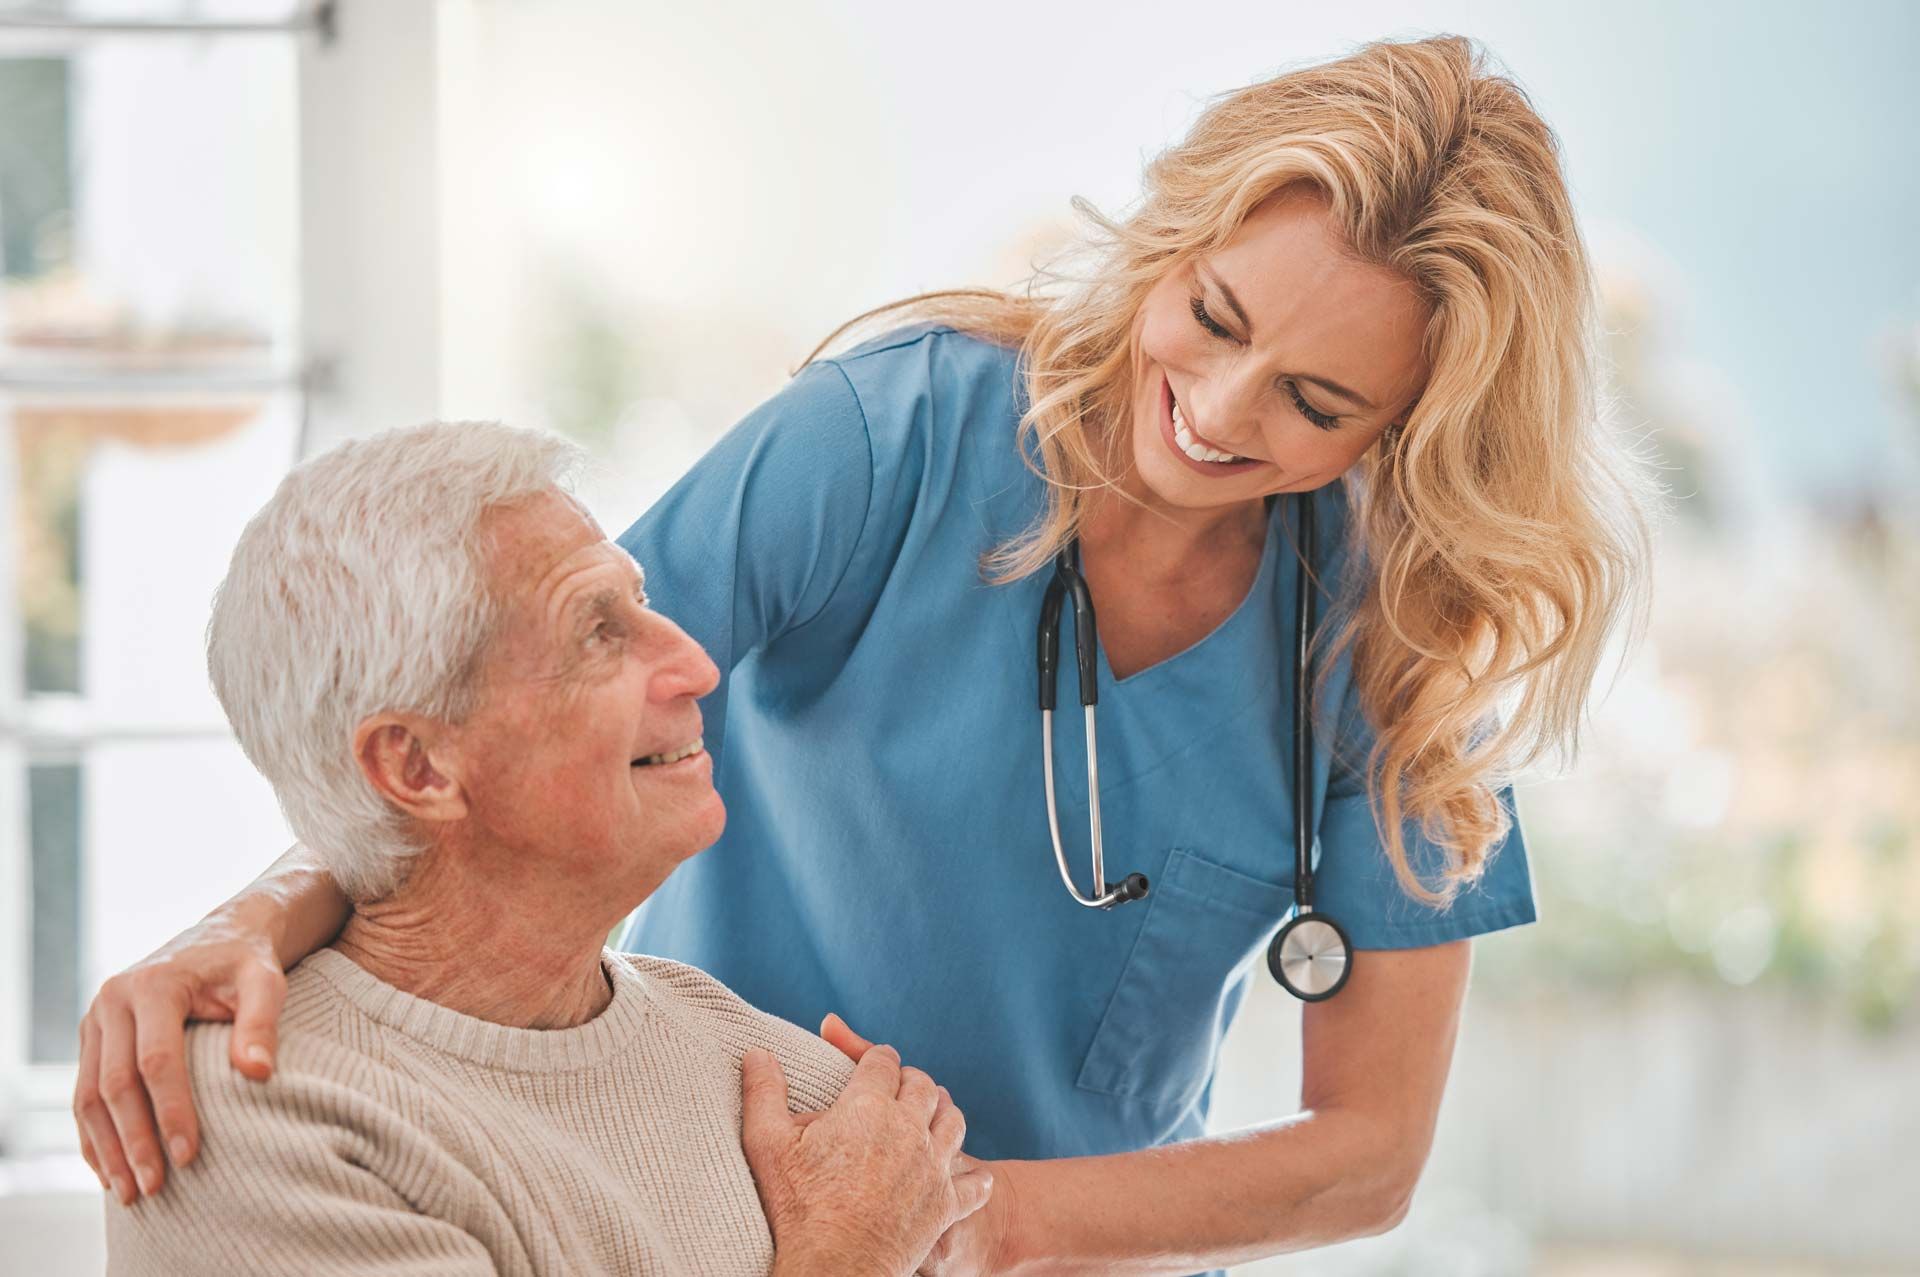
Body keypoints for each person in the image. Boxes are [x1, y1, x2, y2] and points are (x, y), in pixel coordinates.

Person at [75, 35, 1655, 1275]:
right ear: (1176, 237)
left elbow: (1366, 1154)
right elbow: (507, 716)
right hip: (737, 1227)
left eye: (1321, 405)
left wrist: (977, 1223)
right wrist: (255, 911)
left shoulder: (1392, 643)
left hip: (1072, 1264)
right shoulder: (888, 439)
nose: (1226, 410)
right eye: (1215, 314)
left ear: (1408, 428)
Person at [102, 422, 990, 1276]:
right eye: (598, 632)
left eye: (643, 603)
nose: (697, 666)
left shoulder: (772, 1072)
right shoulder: (255, 1122)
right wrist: (848, 1257)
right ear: (416, 764)